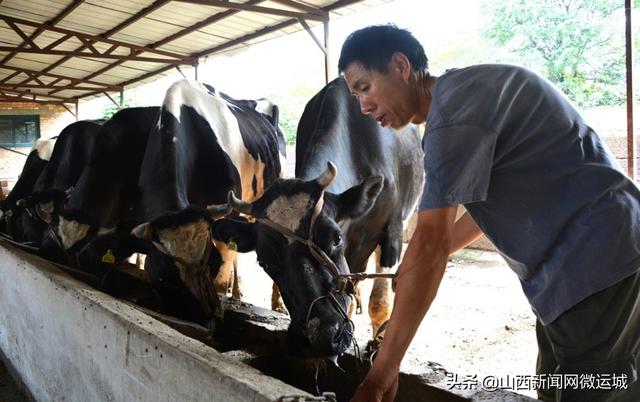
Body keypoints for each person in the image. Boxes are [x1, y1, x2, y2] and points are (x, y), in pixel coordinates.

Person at [338, 24, 640, 402]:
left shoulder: (453, 116)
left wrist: (382, 372)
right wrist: (423, 259)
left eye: (365, 87)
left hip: (598, 261)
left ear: (400, 66)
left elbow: (430, 241)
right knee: (558, 387)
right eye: (356, 96)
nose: (363, 107)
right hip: (570, 272)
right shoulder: (464, 97)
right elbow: (474, 215)